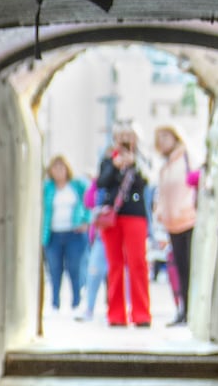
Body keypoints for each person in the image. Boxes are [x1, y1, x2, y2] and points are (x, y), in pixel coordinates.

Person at [94, 128, 152, 327]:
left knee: (137, 263)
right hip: (112, 217)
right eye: (121, 136)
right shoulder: (108, 159)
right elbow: (101, 182)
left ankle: (141, 313)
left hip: (135, 215)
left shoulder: (142, 160)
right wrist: (115, 167)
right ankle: (116, 314)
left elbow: (145, 184)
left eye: (129, 136)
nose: (125, 140)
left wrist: (132, 165)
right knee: (115, 265)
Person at [152, 125, 197, 326]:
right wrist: (160, 213)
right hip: (172, 224)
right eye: (159, 137)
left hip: (189, 220)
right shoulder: (165, 166)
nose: (162, 141)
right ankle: (183, 309)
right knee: (179, 269)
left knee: (190, 267)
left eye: (165, 136)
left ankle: (192, 311)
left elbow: (197, 180)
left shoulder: (186, 158)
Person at [41, 155, 91, 313]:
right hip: (54, 234)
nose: (58, 171)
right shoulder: (47, 188)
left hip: (74, 233)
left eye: (61, 168)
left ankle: (76, 300)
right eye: (55, 168)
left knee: (74, 267)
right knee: (54, 269)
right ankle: (55, 302)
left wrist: (85, 221)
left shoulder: (77, 186)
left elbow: (89, 202)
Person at [77, 179, 106, 321]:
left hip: (120, 235)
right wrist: (95, 182)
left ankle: (119, 309)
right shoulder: (100, 183)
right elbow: (88, 202)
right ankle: (89, 308)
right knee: (93, 272)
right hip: (101, 235)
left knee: (119, 275)